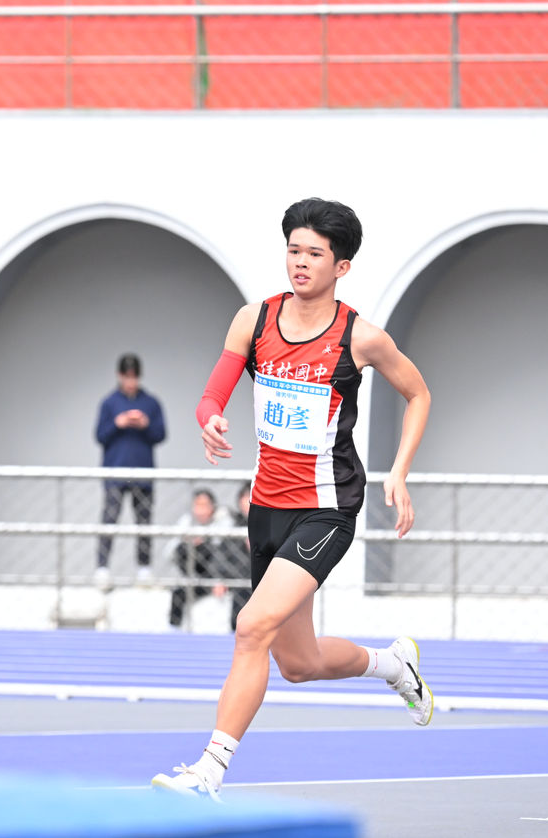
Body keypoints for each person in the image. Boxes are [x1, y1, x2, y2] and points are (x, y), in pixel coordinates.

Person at [151, 198, 434, 800]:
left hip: (326, 508)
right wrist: (209, 419)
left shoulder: (361, 337)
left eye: (314, 254)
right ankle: (393, 664)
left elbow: (419, 394)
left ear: (342, 266)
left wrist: (400, 471)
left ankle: (208, 772)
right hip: (267, 509)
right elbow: (212, 395)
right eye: (293, 250)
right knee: (298, 664)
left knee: (250, 625)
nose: (300, 262)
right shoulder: (253, 320)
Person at [94, 353, 166, 588]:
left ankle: (144, 570)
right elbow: (99, 436)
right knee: (109, 519)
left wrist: (145, 425)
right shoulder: (109, 403)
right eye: (126, 377)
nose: (130, 382)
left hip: (143, 473)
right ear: (119, 376)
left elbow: (161, 434)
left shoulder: (151, 403)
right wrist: (118, 423)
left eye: (134, 377)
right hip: (115, 472)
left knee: (144, 522)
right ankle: (102, 570)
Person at [167, 488, 234, 630]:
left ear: (212, 506)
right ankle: (173, 629)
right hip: (195, 573)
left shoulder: (223, 520)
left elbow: (223, 553)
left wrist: (220, 580)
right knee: (178, 593)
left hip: (219, 573)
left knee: (208, 547)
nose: (200, 510)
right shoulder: (187, 521)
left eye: (204, 505)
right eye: (197, 505)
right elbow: (170, 551)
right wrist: (188, 541)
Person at [221, 481, 253, 632]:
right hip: (237, 577)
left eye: (250, 496)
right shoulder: (234, 524)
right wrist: (221, 579)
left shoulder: (271, 525)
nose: (246, 502)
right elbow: (222, 555)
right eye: (244, 497)